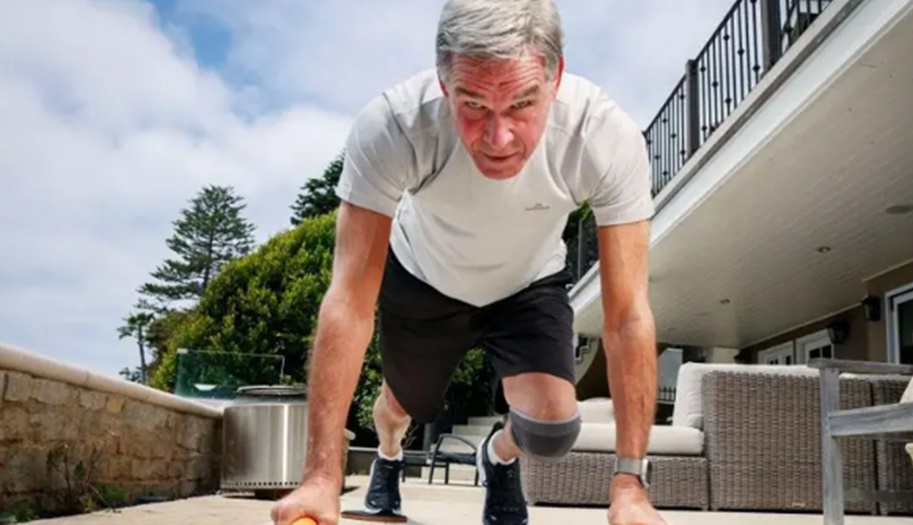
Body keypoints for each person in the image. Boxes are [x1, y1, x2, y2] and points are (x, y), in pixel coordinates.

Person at [271, 0, 664, 524]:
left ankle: (496, 457)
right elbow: (347, 301)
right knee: (399, 408)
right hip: (424, 279)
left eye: (522, 103)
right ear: (444, 83)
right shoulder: (394, 126)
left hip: (527, 284)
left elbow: (628, 315)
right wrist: (320, 478)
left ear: (555, 78)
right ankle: (389, 453)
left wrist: (630, 486)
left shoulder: (603, 136)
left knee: (552, 428)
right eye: (474, 104)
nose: (499, 138)